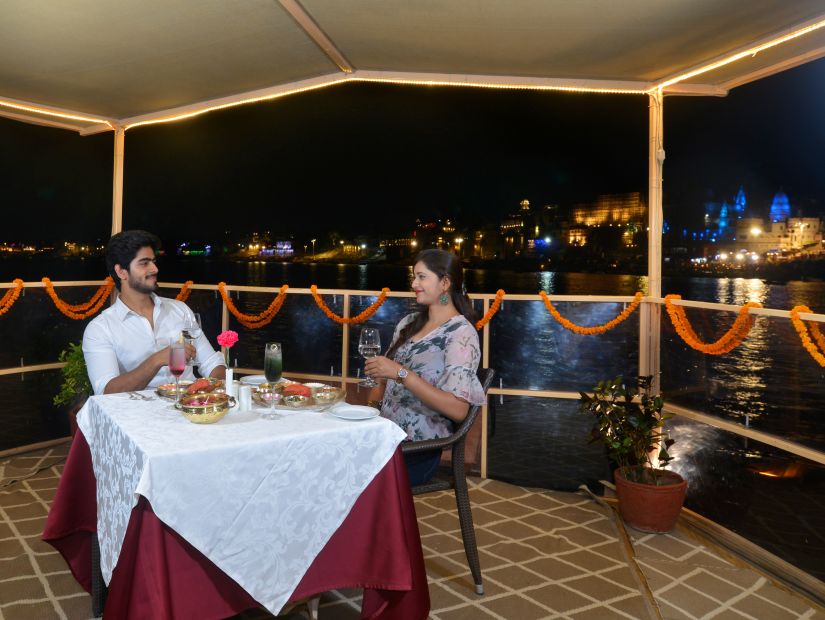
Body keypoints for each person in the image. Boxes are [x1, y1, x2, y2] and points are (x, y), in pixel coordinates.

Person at [364, 249, 486, 485]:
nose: (414, 284)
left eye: (421, 277)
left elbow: (459, 410)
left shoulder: (461, 334)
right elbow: (382, 381)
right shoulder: (408, 323)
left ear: (445, 283)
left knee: (349, 477)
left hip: (417, 448)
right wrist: (368, 417)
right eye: (413, 277)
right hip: (385, 437)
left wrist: (401, 374)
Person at [83, 230, 226, 395]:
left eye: (153, 261)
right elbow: (106, 391)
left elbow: (212, 363)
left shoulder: (180, 310)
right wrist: (157, 360)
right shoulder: (100, 329)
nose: (155, 269)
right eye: (144, 263)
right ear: (121, 272)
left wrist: (211, 390)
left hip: (190, 409)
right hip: (137, 416)